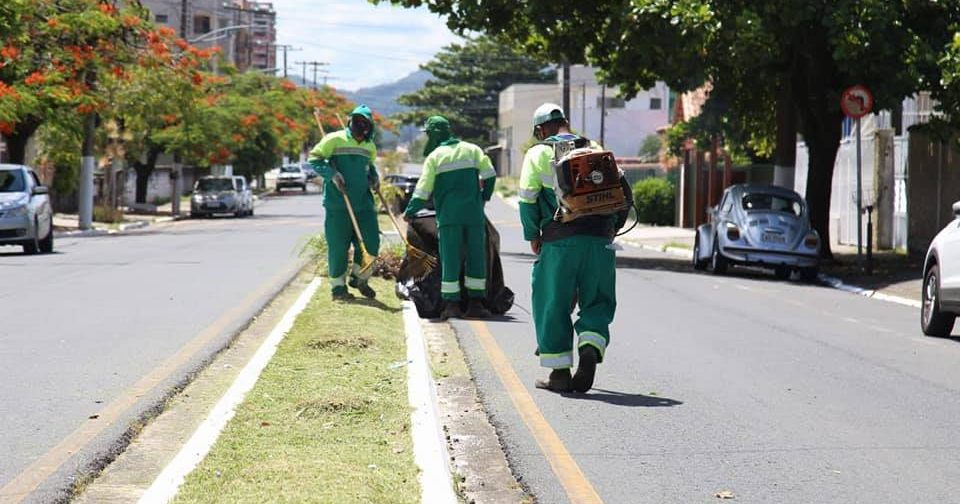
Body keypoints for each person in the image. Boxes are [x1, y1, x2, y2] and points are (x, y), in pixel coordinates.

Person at [518, 103, 632, 393]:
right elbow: (622, 193)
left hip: (559, 242)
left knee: (552, 303)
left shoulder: (537, 154)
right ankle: (590, 346)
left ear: (540, 130)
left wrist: (533, 234)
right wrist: (611, 229)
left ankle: (559, 374)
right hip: (600, 240)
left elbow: (527, 200)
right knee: (597, 301)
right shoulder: (594, 148)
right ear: (566, 122)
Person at [404, 115, 497, 320]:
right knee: (476, 257)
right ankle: (475, 304)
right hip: (473, 214)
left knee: (451, 259)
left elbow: (422, 190)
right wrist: (484, 198)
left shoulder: (436, 157)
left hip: (448, 217)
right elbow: (490, 175)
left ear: (434, 134)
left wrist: (410, 211)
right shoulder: (472, 150)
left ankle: (452, 305)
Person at [308, 104, 381, 301]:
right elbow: (314, 159)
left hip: (364, 204)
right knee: (338, 247)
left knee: (372, 243)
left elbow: (369, 166)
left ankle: (359, 279)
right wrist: (332, 174)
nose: (358, 125)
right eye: (355, 120)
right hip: (338, 204)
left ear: (369, 126)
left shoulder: (369, 146)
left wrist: (374, 177)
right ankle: (338, 290)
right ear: (350, 121)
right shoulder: (334, 139)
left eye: (363, 122)